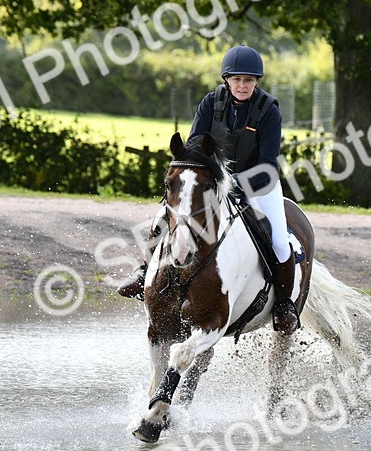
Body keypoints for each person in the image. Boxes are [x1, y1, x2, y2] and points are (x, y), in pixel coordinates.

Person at [117, 44, 299, 335]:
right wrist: (210, 179)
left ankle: (284, 305)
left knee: (278, 240)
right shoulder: (210, 104)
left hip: (258, 184)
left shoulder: (268, 112)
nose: (243, 85)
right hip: (211, 181)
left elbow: (268, 166)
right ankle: (144, 273)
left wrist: (237, 183)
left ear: (257, 82)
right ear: (227, 79)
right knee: (164, 218)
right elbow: (194, 147)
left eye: (249, 80)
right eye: (237, 79)